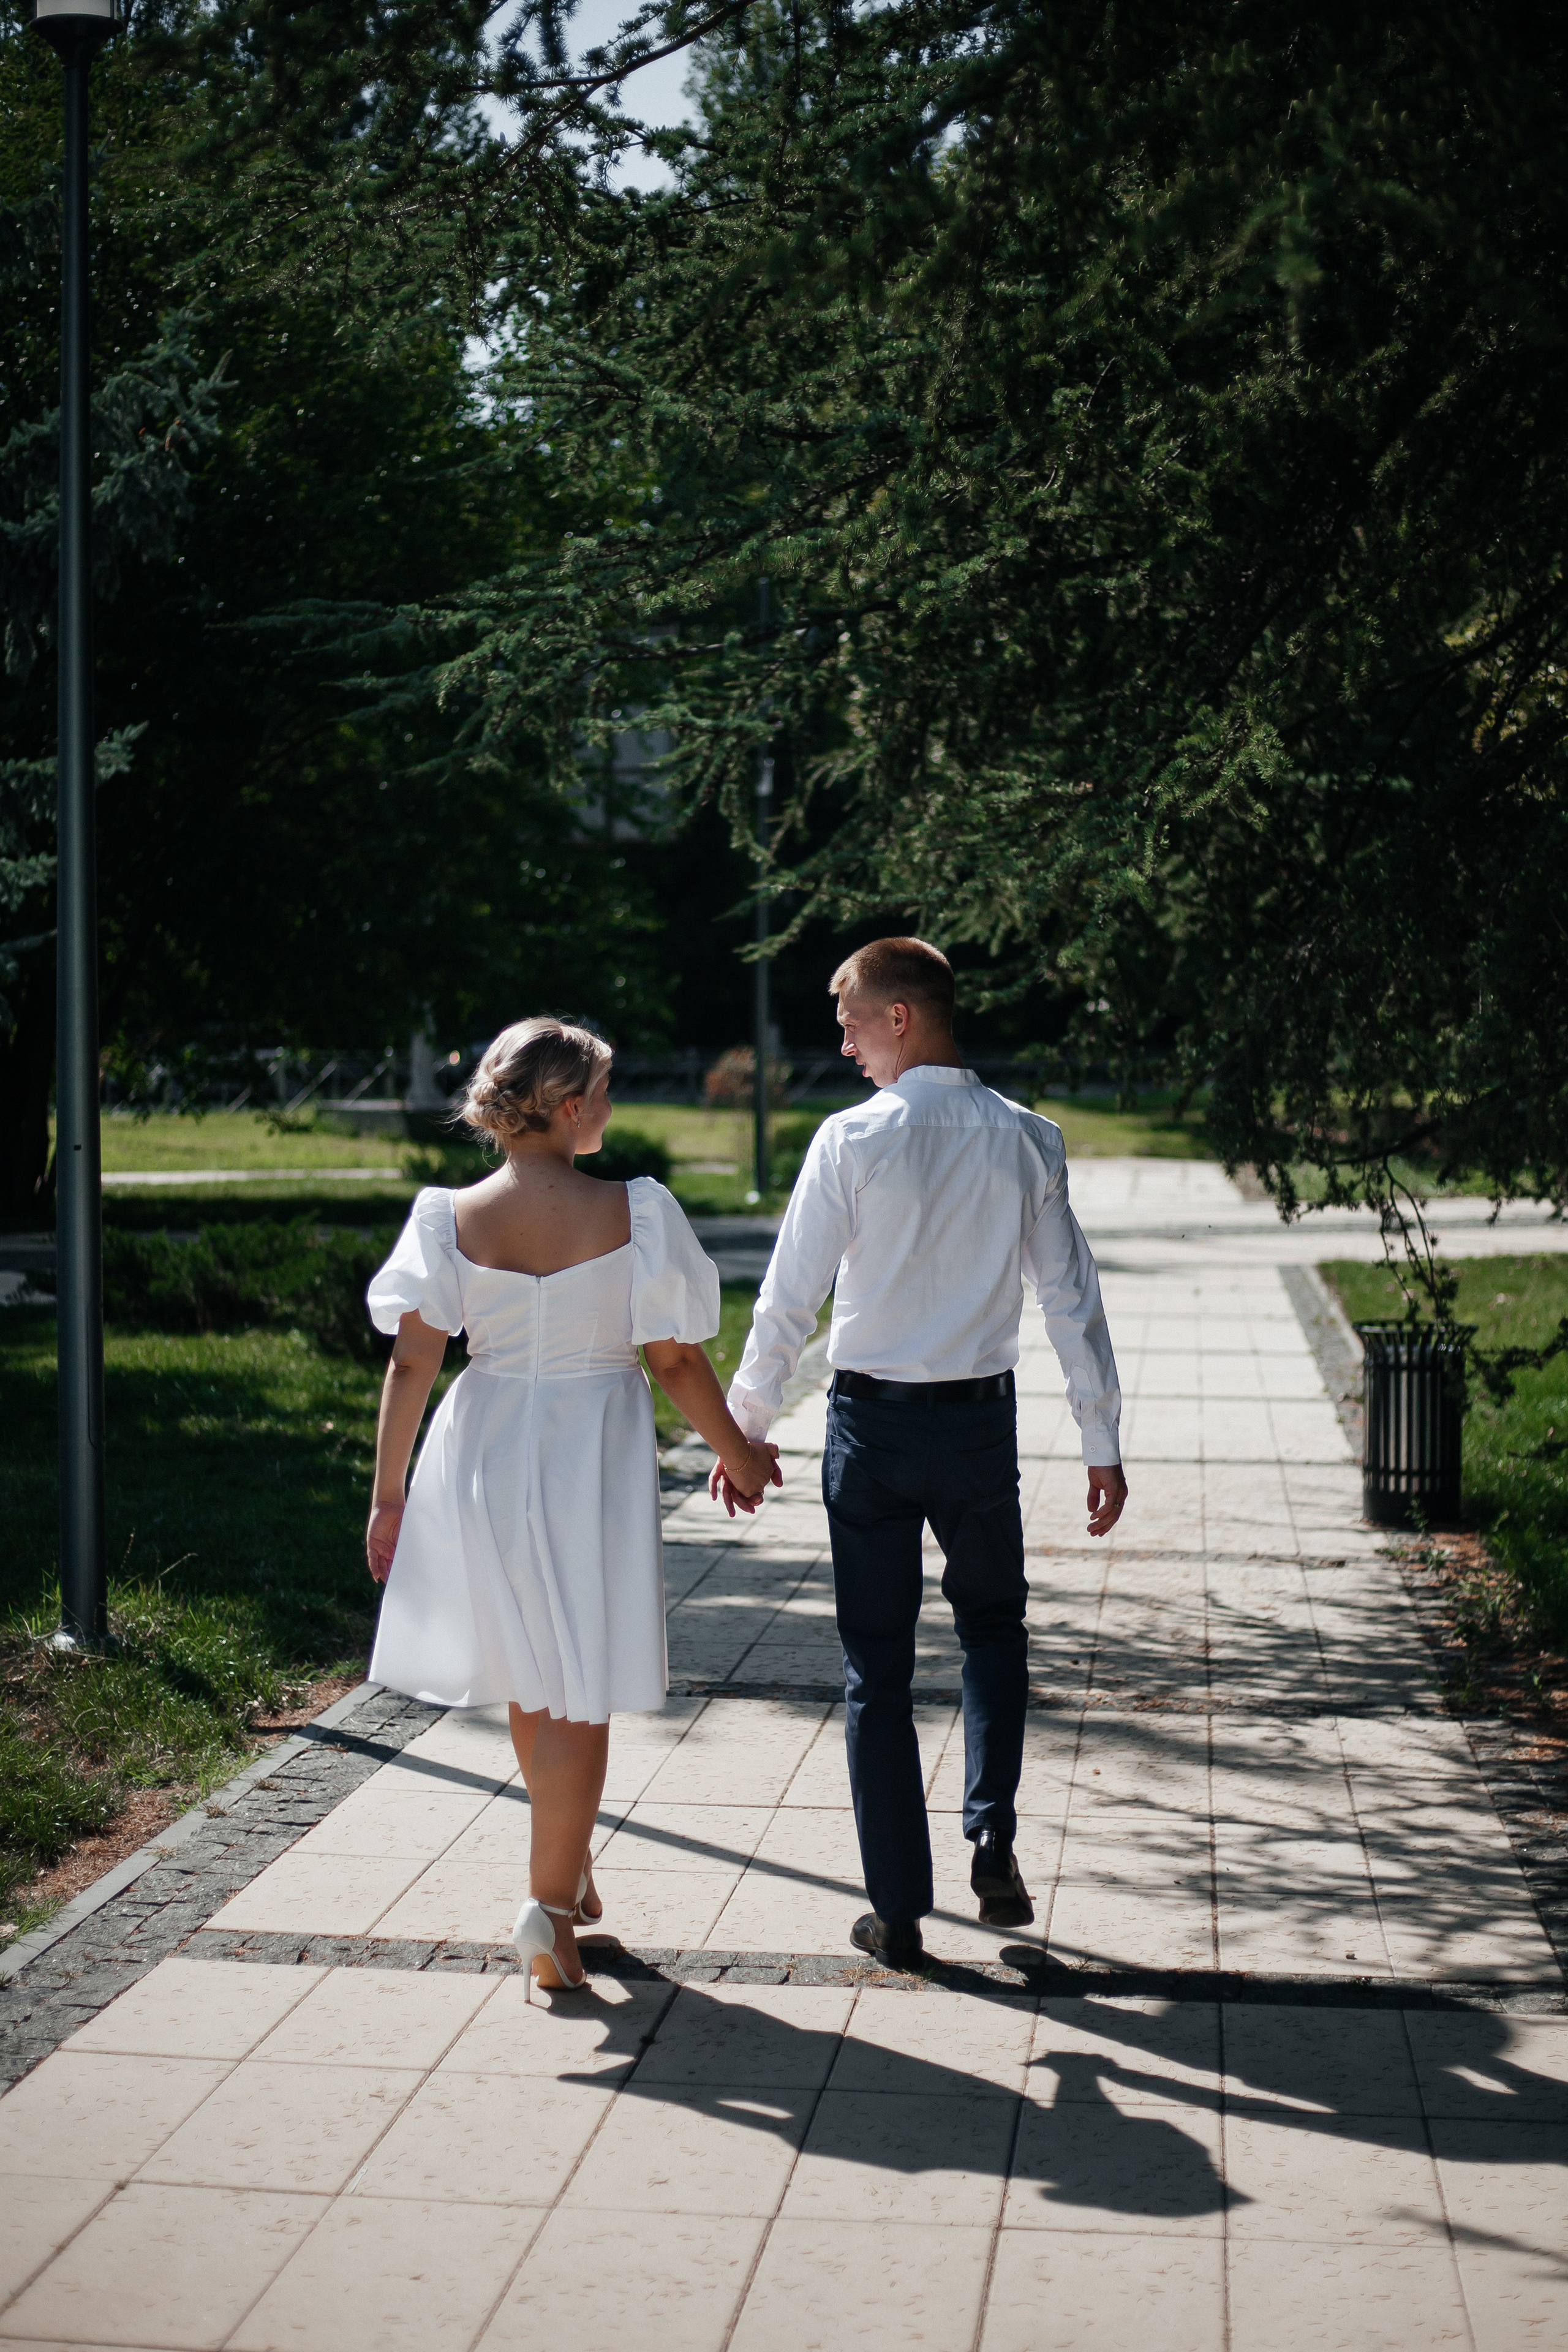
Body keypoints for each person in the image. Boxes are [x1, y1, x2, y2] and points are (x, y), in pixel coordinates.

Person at [720, 939, 1126, 1968]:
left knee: (878, 1668)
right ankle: (991, 1833)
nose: (845, 1044)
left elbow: (790, 1298)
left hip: (873, 1430)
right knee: (993, 1630)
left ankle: (898, 1912)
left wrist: (745, 1427)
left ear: (900, 1017)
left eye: (852, 1022)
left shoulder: (851, 1140)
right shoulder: (1028, 1138)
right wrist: (1101, 1441)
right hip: (979, 1427)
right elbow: (1070, 1300)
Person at [364, 1017, 781, 1999]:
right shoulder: (637, 1211)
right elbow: (674, 1360)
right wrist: (741, 1459)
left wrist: (388, 1497)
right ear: (567, 1107)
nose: (611, 1105)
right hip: (589, 1445)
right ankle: (548, 1913)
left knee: (531, 1666)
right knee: (578, 1679)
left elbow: (412, 1363)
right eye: (604, 1091)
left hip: (486, 1442)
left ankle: (566, 1851)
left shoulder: (445, 1218)